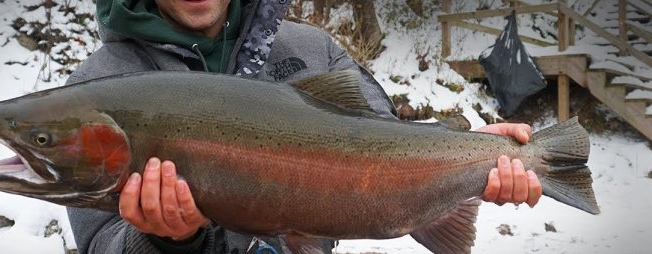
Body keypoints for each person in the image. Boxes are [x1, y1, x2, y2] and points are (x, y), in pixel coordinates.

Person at [65, 0, 543, 253]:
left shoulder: (313, 49)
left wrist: (468, 155)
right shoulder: (99, 85)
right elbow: (100, 245)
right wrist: (161, 242)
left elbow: (383, 144)